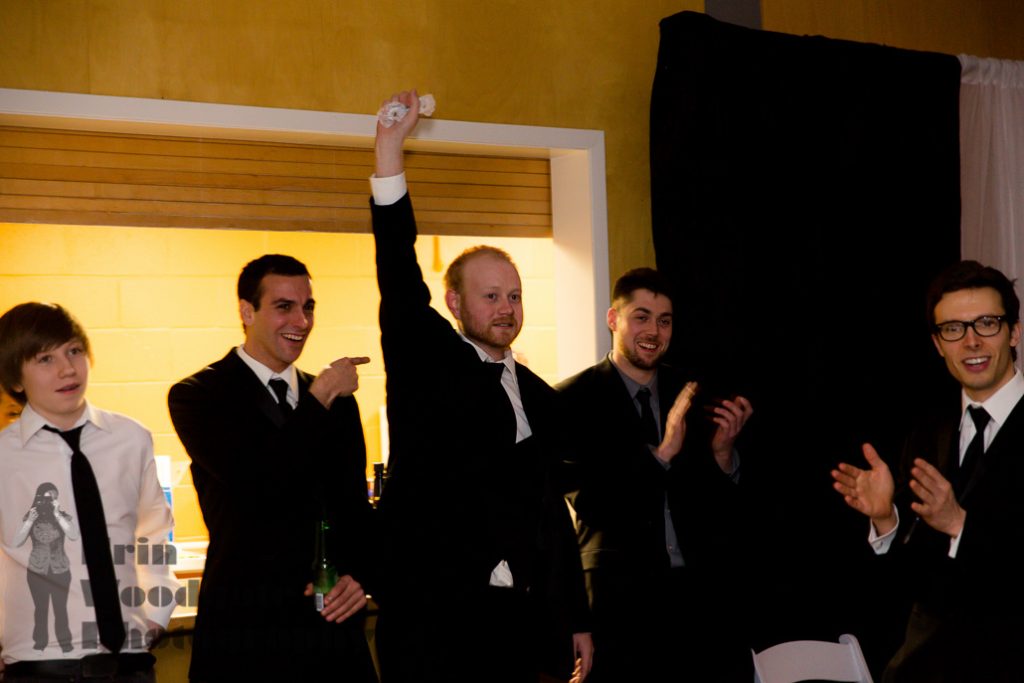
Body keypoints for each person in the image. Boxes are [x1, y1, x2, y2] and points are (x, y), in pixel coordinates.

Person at [370, 90, 593, 683]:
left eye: (514, 295)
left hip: (522, 629)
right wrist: (389, 149)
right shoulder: (427, 358)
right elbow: (397, 267)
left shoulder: (541, 398)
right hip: (433, 625)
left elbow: (553, 516)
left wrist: (576, 617)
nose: (505, 308)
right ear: (454, 302)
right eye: (491, 296)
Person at [167, 254, 378, 682]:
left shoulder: (337, 404)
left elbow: (354, 509)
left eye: (308, 307)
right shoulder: (199, 396)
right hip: (246, 631)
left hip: (330, 628)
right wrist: (318, 398)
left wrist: (360, 576)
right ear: (247, 312)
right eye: (284, 306)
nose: (301, 321)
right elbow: (261, 481)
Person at [556, 267, 754, 682]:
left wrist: (723, 454)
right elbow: (593, 504)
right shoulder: (572, 400)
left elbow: (718, 509)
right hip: (618, 602)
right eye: (641, 317)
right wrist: (661, 456)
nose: (654, 331)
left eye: (664, 321)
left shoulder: (692, 392)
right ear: (613, 319)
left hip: (697, 600)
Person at [832, 260, 1024, 682]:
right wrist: (886, 518)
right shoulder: (928, 431)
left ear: (1014, 332)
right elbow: (912, 583)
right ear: (938, 344)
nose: (971, 341)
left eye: (986, 323)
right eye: (953, 329)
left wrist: (959, 525)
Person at [0, 302, 176, 682]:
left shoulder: (131, 438)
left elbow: (153, 533)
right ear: (15, 379)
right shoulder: (4, 456)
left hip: (131, 662)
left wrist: (156, 614)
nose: (67, 369)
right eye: (45, 359)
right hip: (41, 664)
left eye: (74, 351)